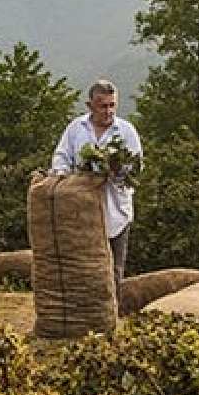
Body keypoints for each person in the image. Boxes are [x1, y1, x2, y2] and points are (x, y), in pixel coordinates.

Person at [50, 79, 143, 295]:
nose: (108, 111)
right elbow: (61, 156)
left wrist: (116, 171)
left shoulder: (126, 132)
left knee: (113, 269)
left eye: (112, 105)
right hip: (81, 211)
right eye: (103, 106)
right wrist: (64, 176)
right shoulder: (76, 128)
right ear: (90, 105)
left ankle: (110, 315)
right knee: (83, 267)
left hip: (115, 212)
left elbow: (136, 169)